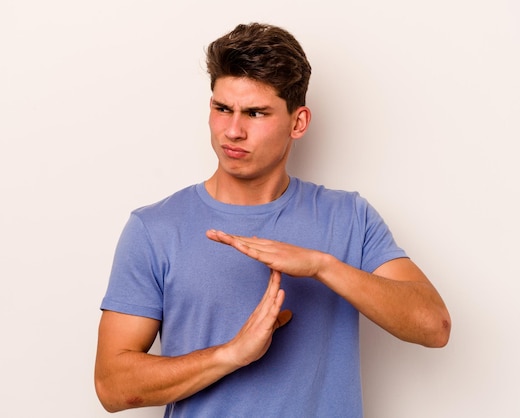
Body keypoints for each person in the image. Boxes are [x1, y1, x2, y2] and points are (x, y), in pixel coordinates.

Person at [94, 22, 451, 417]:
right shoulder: (155, 229)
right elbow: (113, 385)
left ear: (297, 123)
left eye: (256, 113)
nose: (233, 130)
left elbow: (433, 326)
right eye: (222, 108)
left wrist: (322, 266)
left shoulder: (348, 216)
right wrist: (231, 355)